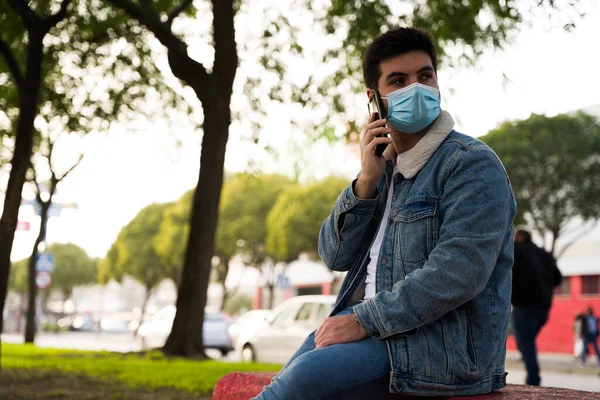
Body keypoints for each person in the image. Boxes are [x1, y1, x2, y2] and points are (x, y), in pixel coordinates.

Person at [253, 27, 516, 399]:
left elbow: (459, 270)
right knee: (288, 382)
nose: (416, 88)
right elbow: (335, 255)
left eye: (425, 76)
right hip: (372, 335)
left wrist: (362, 321)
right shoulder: (381, 171)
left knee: (303, 380)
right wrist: (365, 183)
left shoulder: (471, 165)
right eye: (398, 80)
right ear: (374, 99)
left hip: (437, 352)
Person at [511, 227, 562, 385]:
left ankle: (534, 379)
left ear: (518, 238)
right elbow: (558, 279)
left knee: (525, 342)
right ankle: (532, 372)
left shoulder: (516, 252)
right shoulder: (545, 254)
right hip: (543, 309)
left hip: (523, 305)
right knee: (526, 341)